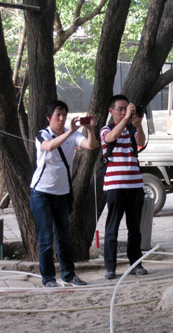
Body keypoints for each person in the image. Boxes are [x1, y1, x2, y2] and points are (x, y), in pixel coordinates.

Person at [30, 100, 98, 287]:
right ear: (48, 118)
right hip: (41, 193)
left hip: (62, 194)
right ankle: (48, 278)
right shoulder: (43, 134)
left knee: (64, 237)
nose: (61, 119)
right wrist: (69, 131)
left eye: (64, 115)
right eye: (57, 115)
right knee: (45, 239)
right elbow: (49, 146)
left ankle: (68, 275)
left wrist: (90, 129)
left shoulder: (73, 135)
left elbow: (91, 145)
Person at [100, 95, 147, 279]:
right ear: (111, 111)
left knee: (134, 228)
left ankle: (136, 264)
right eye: (119, 109)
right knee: (112, 228)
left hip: (135, 185)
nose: (123, 112)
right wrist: (126, 119)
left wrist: (139, 124)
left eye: (126, 109)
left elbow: (141, 141)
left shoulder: (130, 129)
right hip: (115, 186)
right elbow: (111, 137)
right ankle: (110, 267)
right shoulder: (107, 129)